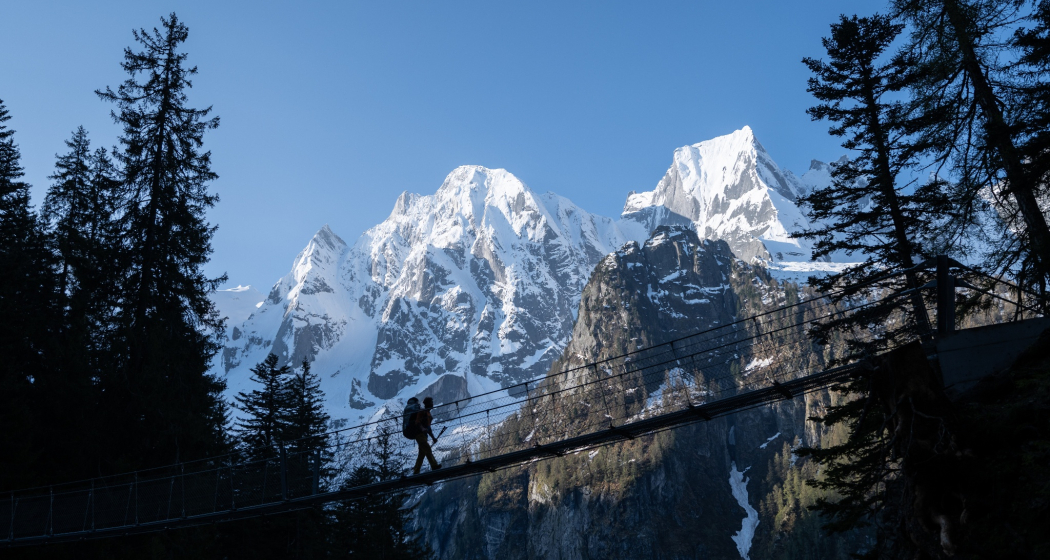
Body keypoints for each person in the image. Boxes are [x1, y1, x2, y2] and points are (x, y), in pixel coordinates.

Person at [412, 396, 441, 475]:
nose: (432, 404)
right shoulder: (422, 412)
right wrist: (422, 429)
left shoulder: (428, 413)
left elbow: (428, 428)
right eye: (431, 402)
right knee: (427, 449)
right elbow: (417, 422)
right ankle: (434, 466)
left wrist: (433, 438)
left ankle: (416, 471)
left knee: (421, 454)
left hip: (423, 436)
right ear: (428, 404)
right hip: (419, 435)